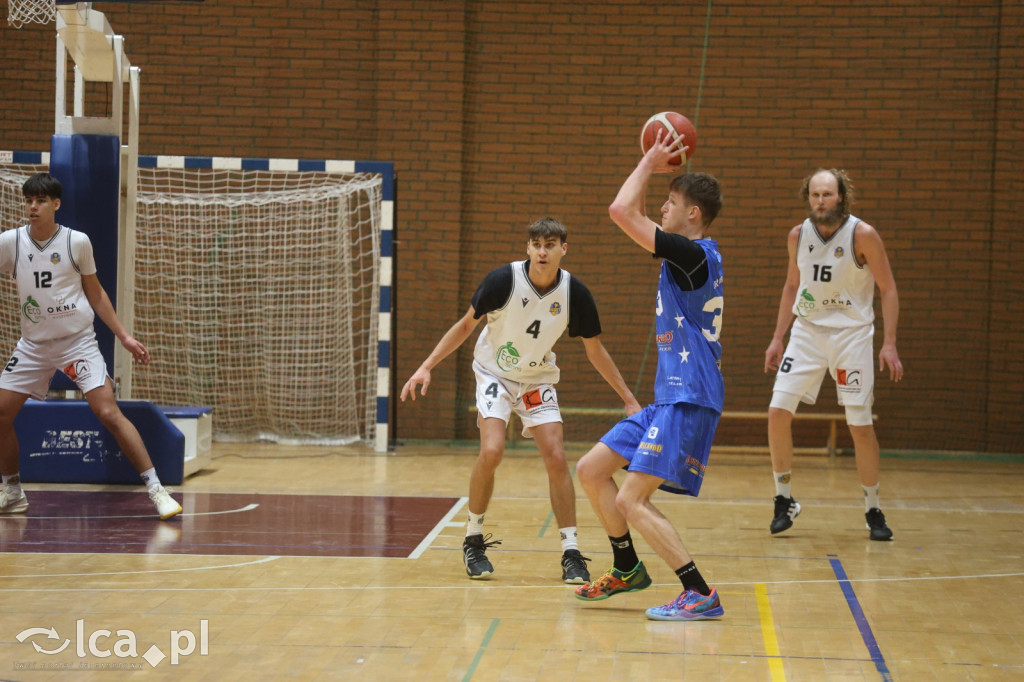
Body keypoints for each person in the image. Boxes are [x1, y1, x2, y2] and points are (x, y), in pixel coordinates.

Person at [401, 217, 641, 583]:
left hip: (536, 378)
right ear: (528, 248)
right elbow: (466, 324)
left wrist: (627, 397)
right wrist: (426, 365)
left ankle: (571, 552)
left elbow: (596, 351)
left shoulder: (575, 294)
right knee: (493, 450)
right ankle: (472, 538)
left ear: (564, 249)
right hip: (494, 371)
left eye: (550, 245)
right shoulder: (503, 280)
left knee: (557, 455)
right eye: (536, 244)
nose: (542, 251)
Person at [573, 130, 726, 621]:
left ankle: (699, 591)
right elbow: (631, 212)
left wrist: (649, 160)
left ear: (693, 214)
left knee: (633, 500)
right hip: (669, 397)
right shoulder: (687, 255)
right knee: (593, 469)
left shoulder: (694, 254)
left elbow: (621, 212)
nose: (662, 208)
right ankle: (627, 568)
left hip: (690, 396)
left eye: (671, 201)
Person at [0, 173, 182, 520]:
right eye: (28, 200)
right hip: (33, 346)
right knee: (0, 414)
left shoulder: (76, 242)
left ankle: (158, 490)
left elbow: (95, 292)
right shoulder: (11, 242)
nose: (32, 207)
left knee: (109, 413)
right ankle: (12, 491)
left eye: (40, 201)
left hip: (76, 342)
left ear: (56, 204)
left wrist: (124, 337)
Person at [763, 168, 903, 541]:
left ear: (841, 196)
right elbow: (792, 286)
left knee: (859, 426)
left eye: (827, 194)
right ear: (807, 198)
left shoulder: (863, 235)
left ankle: (873, 507)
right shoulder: (798, 236)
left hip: (852, 336)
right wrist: (778, 337)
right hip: (807, 333)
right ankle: (784, 499)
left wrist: (888, 343)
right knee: (777, 412)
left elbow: (888, 289)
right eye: (814, 195)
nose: (820, 201)